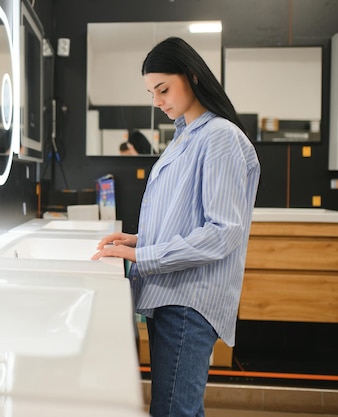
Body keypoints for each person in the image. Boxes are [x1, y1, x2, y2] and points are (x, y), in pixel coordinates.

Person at [91, 37, 260, 417]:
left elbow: (222, 231)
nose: (157, 102)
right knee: (176, 409)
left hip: (189, 299)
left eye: (163, 89)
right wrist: (138, 239)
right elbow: (186, 218)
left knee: (172, 411)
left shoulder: (220, 137)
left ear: (192, 77)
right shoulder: (188, 135)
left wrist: (143, 254)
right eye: (152, 93)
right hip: (174, 294)